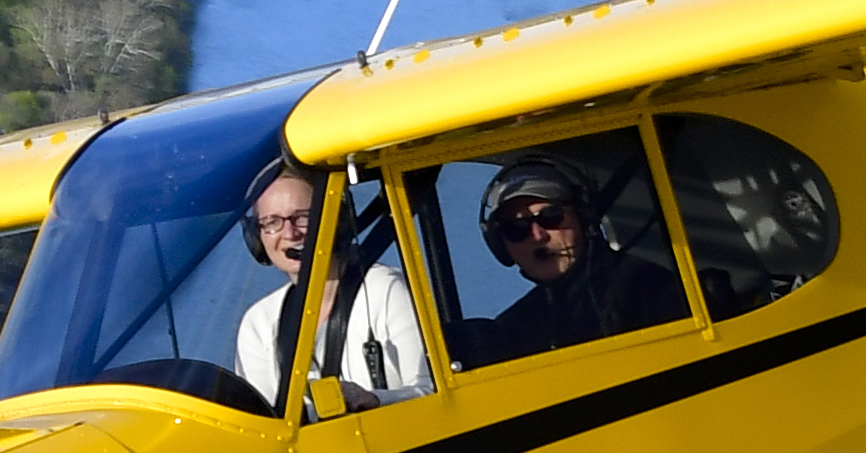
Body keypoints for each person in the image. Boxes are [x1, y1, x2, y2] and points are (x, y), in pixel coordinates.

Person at [232, 165, 427, 409]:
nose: (290, 233)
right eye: (272, 222)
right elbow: (263, 424)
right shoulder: (258, 322)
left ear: (335, 220)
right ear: (256, 237)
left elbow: (430, 391)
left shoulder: (385, 289)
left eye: (303, 217)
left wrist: (375, 400)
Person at [461, 155, 685, 365]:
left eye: (551, 217)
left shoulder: (648, 288)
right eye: (516, 228)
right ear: (500, 244)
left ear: (584, 218)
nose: (538, 236)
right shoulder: (513, 331)